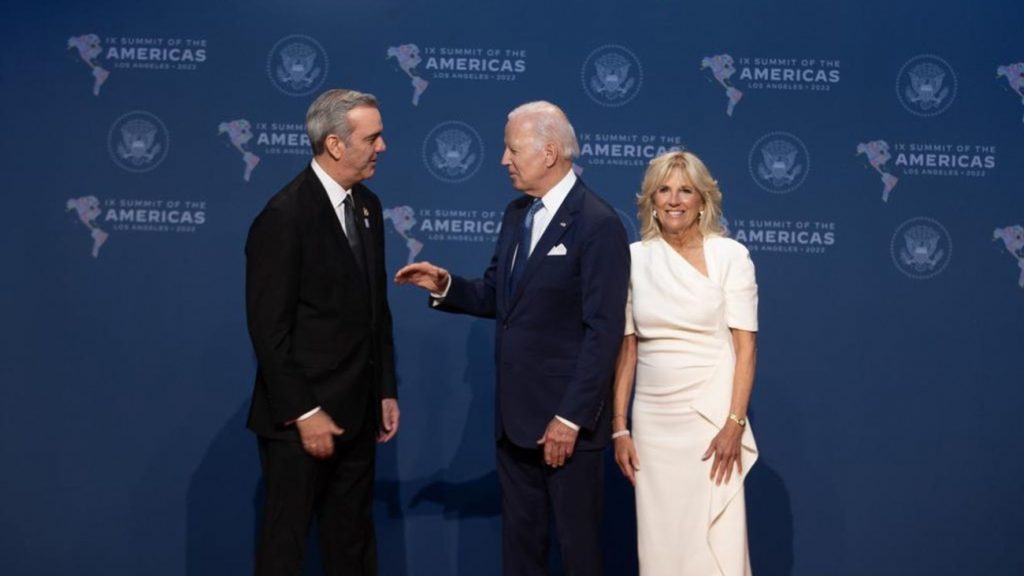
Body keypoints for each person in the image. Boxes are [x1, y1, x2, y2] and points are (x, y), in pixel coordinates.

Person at [395, 101, 629, 575]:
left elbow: (604, 333)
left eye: (513, 149)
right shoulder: (516, 214)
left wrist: (570, 418)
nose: (504, 160)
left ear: (549, 152)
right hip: (514, 421)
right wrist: (445, 285)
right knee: (521, 554)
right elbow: (498, 296)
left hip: (566, 425)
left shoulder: (598, 223)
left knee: (579, 555)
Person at [245, 89, 399, 576]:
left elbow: (375, 308)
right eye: (372, 138)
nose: (382, 147)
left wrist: (384, 388)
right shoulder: (284, 215)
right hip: (300, 421)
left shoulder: (368, 207)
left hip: (358, 413)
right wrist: (304, 411)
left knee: (352, 544)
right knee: (285, 548)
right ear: (335, 144)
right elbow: (268, 329)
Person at [612, 151, 759, 576]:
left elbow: (746, 347)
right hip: (654, 424)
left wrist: (734, 423)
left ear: (702, 200)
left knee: (716, 535)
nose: (674, 200)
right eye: (664, 190)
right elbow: (627, 350)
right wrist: (619, 428)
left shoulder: (730, 256)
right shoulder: (633, 258)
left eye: (685, 191)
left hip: (711, 420)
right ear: (651, 200)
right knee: (662, 538)